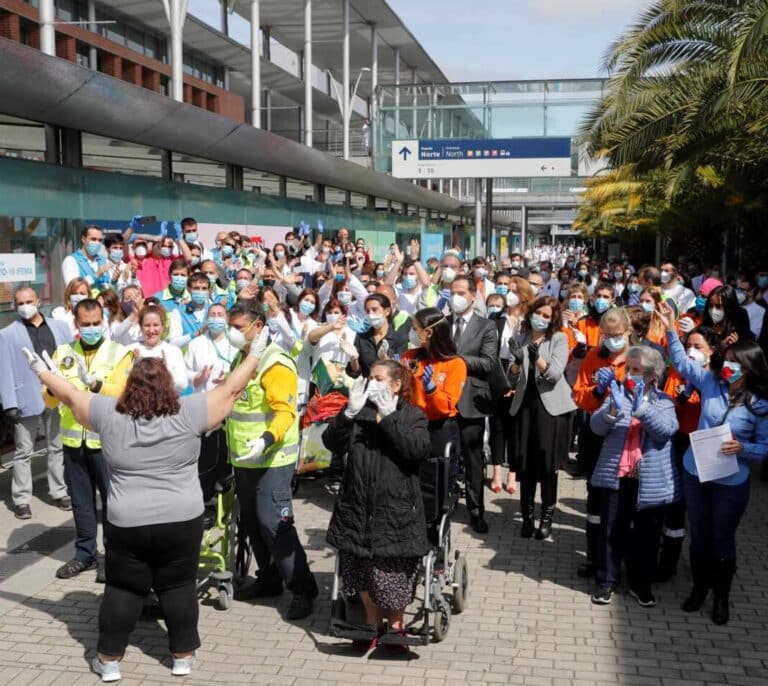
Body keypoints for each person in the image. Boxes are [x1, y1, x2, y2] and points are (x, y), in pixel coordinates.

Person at [23, 323, 271, 681]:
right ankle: (182, 658)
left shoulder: (110, 414)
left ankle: (109, 663)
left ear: (129, 386)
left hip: (127, 522)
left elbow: (70, 395)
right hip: (181, 519)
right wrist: (254, 355)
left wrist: (41, 371)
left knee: (123, 589)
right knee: (178, 587)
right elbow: (232, 389)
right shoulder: (189, 412)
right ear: (169, 385)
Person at [658, 302, 768, 624]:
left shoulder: (760, 403)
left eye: (737, 363)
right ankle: (699, 589)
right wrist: (668, 327)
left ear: (751, 368)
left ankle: (722, 597)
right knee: (700, 535)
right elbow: (679, 361)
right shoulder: (710, 382)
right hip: (696, 471)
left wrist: (744, 448)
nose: (729, 367)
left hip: (731, 481)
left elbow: (765, 447)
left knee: (722, 538)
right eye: (728, 361)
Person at [323, 361, 432, 651]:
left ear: (396, 385)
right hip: (357, 506)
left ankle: (396, 628)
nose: (372, 382)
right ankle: (371, 624)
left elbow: (416, 451)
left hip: (395, 509)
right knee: (360, 569)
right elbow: (331, 442)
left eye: (379, 378)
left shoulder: (412, 416)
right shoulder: (362, 413)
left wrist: (391, 417)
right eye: (370, 377)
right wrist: (347, 413)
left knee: (391, 574)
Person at [225, 304, 319, 619]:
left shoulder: (275, 363)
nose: (232, 332)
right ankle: (268, 579)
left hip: (272, 458)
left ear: (258, 325)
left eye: (238, 327)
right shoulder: (243, 357)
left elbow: (284, 412)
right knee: (251, 521)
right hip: (245, 458)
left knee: (274, 523)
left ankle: (303, 588)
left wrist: (266, 439)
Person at [44, 299, 132, 580]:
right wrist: (48, 382)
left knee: (112, 503)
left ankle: (114, 557)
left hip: (106, 442)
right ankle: (85, 555)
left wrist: (95, 384)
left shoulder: (120, 353)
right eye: (86, 324)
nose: (92, 328)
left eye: (96, 323)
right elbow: (48, 401)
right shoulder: (63, 352)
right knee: (81, 503)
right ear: (77, 324)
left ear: (104, 321)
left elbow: (122, 394)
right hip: (73, 442)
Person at [589, 346, 680, 606]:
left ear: (652, 375)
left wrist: (642, 410)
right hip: (617, 477)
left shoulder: (664, 401)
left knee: (646, 536)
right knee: (611, 530)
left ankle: (641, 585)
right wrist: (612, 413)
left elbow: (665, 431)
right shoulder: (617, 394)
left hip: (648, 481)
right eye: (628, 369)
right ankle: (607, 581)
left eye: (636, 370)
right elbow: (595, 427)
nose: (630, 374)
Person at [508, 297, 576, 539]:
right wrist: (516, 362)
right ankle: (527, 517)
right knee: (525, 466)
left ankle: (547, 517)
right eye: (539, 313)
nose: (542, 319)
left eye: (547, 316)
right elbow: (512, 377)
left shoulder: (558, 338)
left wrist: (536, 357)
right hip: (525, 406)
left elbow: (555, 374)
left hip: (551, 409)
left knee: (548, 467)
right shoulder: (520, 337)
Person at [0, 286, 71, 519]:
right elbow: (4, 370)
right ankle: (21, 499)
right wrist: (9, 403)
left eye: (28, 301)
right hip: (26, 398)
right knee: (23, 451)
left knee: (57, 446)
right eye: (19, 303)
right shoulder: (8, 334)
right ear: (14, 306)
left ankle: (59, 491)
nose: (25, 306)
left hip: (56, 394)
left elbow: (71, 361)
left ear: (39, 301)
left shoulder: (60, 327)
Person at [573, 307, 632, 577]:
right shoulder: (595, 357)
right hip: (596, 433)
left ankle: (620, 560)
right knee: (595, 499)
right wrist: (597, 390)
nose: (611, 339)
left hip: (627, 438)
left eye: (616, 334)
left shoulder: (637, 358)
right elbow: (580, 396)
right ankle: (594, 557)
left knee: (624, 501)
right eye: (606, 334)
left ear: (627, 332)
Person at [448, 276, 498, 533]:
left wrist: (457, 360)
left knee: (473, 458)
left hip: (472, 400)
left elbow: (488, 363)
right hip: (443, 401)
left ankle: (476, 510)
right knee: (443, 455)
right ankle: (442, 505)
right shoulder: (442, 324)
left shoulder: (486, 326)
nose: (455, 297)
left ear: (471, 296)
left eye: (460, 292)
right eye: (452, 292)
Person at [401, 308, 467, 457]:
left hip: (440, 429)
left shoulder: (455, 364)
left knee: (437, 476)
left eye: (415, 329)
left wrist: (431, 389)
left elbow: (445, 407)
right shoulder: (410, 357)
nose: (412, 333)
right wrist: (402, 377)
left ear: (429, 333)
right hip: (412, 425)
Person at [489, 276, 535, 493]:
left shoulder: (530, 321)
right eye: (508, 289)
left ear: (524, 295)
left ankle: (513, 473)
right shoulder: (497, 318)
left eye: (514, 290)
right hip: (499, 371)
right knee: (498, 426)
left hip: (522, 372)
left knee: (516, 427)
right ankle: (496, 472)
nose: (509, 293)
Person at [348, 294, 408, 377]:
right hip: (369, 386)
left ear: (387, 311)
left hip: (390, 387)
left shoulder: (399, 337)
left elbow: (402, 372)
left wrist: (386, 359)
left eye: (374, 310)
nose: (371, 314)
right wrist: (354, 359)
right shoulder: (362, 337)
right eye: (368, 311)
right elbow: (355, 373)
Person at [134, 304, 189, 394]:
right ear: (140, 327)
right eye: (147, 325)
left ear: (163, 327)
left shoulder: (173, 351)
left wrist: (165, 371)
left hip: (166, 405)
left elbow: (183, 385)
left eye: (156, 325)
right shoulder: (131, 350)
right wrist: (136, 369)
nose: (151, 330)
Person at [62, 225, 112, 293]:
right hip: (83, 303)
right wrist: (96, 275)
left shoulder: (104, 260)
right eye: (93, 239)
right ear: (83, 239)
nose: (97, 243)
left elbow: (110, 289)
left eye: (100, 240)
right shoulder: (71, 260)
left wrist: (114, 281)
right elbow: (72, 289)